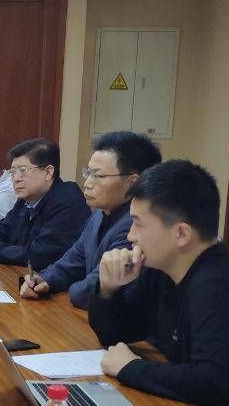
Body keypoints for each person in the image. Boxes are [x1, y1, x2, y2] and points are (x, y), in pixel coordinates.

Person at [89, 160, 229, 406]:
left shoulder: (219, 285)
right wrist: (109, 289)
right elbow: (114, 335)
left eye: (138, 223)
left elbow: (219, 383)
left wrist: (131, 368)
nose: (130, 235)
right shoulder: (162, 269)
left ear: (181, 234)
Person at [21, 131, 162, 308]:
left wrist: (73, 288)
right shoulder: (99, 214)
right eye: (88, 173)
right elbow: (72, 261)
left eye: (98, 175)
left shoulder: (135, 226)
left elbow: (89, 291)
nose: (87, 183)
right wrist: (44, 280)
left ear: (133, 182)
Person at [0, 138, 89, 268]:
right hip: (26, 275)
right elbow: (2, 230)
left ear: (48, 172)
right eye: (13, 172)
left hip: (54, 279)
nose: (16, 179)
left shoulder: (67, 201)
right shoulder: (25, 200)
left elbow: (40, 254)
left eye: (23, 170)